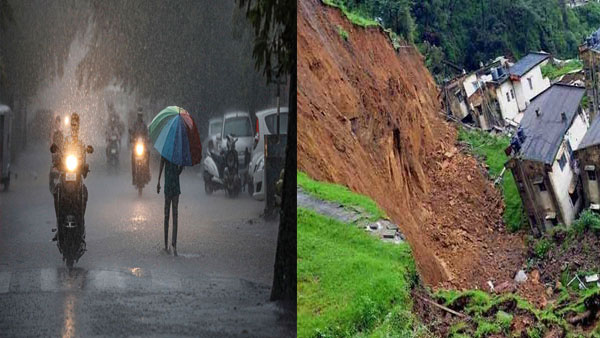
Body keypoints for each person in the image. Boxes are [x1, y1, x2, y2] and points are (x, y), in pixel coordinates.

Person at [50, 113, 91, 240]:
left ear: (78, 127)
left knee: (84, 191)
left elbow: (84, 159)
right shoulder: (65, 141)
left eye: (76, 125)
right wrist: (57, 160)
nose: (74, 127)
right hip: (66, 174)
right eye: (72, 125)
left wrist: (85, 167)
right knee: (57, 190)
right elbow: (58, 154)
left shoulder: (81, 143)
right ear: (70, 126)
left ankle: (81, 222)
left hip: (77, 177)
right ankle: (58, 223)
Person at [157, 156, 183, 256]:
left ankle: (167, 244)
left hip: (169, 186)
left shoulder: (166, 150)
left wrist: (158, 181)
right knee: (174, 216)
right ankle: (173, 244)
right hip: (175, 186)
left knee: (167, 216)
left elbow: (161, 165)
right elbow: (179, 171)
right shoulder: (178, 152)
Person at [129, 108, 150, 183]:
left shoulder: (144, 125)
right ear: (137, 116)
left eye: (141, 115)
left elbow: (147, 134)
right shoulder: (134, 124)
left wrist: (147, 139)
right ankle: (134, 177)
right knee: (133, 159)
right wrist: (131, 139)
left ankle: (147, 174)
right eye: (139, 115)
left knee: (148, 155)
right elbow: (131, 133)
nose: (140, 117)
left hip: (143, 146)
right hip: (136, 146)